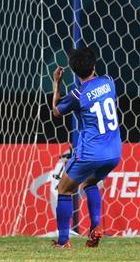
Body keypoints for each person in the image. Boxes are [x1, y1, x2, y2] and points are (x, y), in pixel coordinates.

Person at [50, 47, 122, 248]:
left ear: (74, 70)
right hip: (114, 152)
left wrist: (57, 83)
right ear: (94, 65)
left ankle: (63, 241)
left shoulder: (77, 94)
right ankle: (96, 227)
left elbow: (56, 111)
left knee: (64, 190)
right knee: (90, 183)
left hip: (91, 153)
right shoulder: (109, 82)